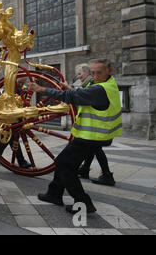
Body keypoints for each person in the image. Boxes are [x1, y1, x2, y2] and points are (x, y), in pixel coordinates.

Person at [28, 59, 122, 214]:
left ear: (109, 70)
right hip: (95, 135)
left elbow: (71, 96)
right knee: (65, 162)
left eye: (99, 72)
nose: (95, 76)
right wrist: (70, 89)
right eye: (92, 72)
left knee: (64, 164)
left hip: (91, 136)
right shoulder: (109, 85)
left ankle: (83, 202)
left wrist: (41, 89)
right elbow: (80, 96)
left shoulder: (100, 89)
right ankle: (54, 194)